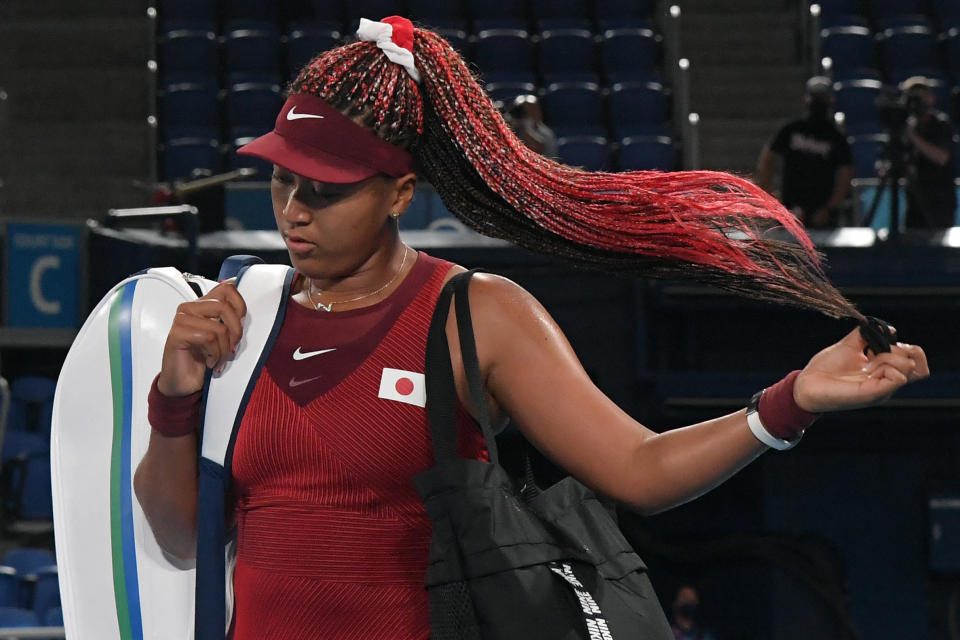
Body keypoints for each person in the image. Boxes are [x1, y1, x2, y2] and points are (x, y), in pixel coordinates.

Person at [133, 16, 929, 640]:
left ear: (400, 193)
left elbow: (639, 468)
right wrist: (174, 396)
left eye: (327, 190)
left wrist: (791, 404)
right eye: (281, 179)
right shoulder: (241, 310)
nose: (294, 210)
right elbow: (177, 533)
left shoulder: (476, 315)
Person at [756, 76, 854, 229]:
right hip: (789, 212)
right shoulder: (791, 129)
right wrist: (773, 200)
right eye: (816, 98)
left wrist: (829, 208)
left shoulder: (836, 137)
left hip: (822, 216)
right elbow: (767, 159)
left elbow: (846, 174)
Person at [901, 76, 958, 229]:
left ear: (930, 99)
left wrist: (914, 137)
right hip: (914, 203)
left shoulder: (940, 125)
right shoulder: (904, 127)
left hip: (939, 201)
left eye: (920, 98)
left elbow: (942, 157)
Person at [503, 93, 559, 159]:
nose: (527, 115)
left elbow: (549, 159)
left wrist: (526, 130)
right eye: (523, 112)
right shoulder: (509, 130)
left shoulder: (547, 134)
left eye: (533, 110)